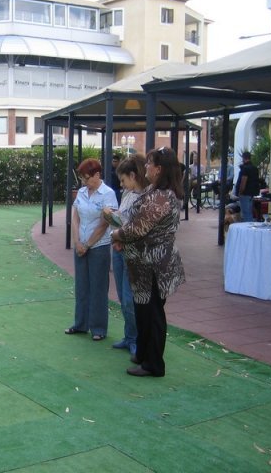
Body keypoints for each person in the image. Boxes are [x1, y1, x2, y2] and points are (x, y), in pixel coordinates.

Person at [110, 147, 186, 377]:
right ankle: (143, 355)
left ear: (159, 169)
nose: (146, 167)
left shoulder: (162, 195)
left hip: (155, 265)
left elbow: (138, 227)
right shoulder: (156, 191)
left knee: (152, 315)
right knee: (144, 311)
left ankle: (153, 364)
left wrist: (117, 235)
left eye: (149, 164)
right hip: (145, 263)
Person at [65, 158, 118, 342]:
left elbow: (104, 224)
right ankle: (80, 324)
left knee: (98, 287)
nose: (84, 182)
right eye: (82, 179)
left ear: (97, 175)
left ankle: (98, 328)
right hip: (80, 244)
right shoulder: (81, 192)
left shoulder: (108, 194)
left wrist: (87, 245)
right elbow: (76, 217)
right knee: (81, 286)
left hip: (99, 246)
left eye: (87, 178)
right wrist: (77, 242)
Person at [102, 154, 149, 356]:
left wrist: (120, 231)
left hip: (135, 253)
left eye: (123, 180)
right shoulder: (128, 194)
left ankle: (138, 338)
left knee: (131, 299)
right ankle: (130, 336)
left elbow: (139, 229)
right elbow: (122, 218)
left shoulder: (147, 196)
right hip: (121, 249)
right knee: (123, 297)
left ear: (133, 175)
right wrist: (112, 217)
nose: (121, 184)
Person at [235, 151, 260, 222]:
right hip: (252, 193)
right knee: (249, 212)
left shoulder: (245, 169)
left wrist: (240, 192)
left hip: (245, 193)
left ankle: (248, 228)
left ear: (243, 158)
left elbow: (243, 181)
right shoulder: (255, 168)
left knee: (246, 213)